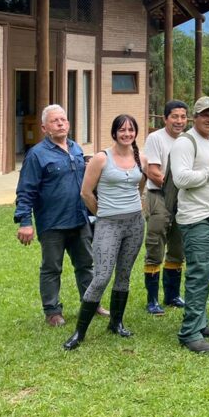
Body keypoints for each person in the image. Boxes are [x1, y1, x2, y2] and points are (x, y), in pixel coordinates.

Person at [64, 114, 146, 350]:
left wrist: (136, 203)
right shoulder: (101, 159)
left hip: (135, 224)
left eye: (131, 130)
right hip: (108, 224)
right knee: (101, 277)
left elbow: (140, 184)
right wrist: (103, 212)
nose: (127, 134)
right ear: (114, 133)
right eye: (122, 130)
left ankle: (116, 323)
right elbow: (86, 192)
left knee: (124, 275)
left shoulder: (140, 157)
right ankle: (79, 332)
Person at [14, 104, 96, 327]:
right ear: (44, 128)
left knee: (86, 264)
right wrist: (24, 222)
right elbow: (25, 190)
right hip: (52, 223)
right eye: (54, 121)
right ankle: (52, 311)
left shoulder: (76, 149)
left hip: (79, 220)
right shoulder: (36, 155)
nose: (60, 123)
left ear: (68, 124)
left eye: (63, 119)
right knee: (52, 268)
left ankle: (90, 304)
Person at [171, 96, 209, 354]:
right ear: (194, 117)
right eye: (205, 115)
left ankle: (201, 322)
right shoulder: (185, 142)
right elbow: (180, 178)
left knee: (208, 272)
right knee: (198, 275)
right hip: (197, 220)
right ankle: (189, 333)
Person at [142, 99, 189, 315]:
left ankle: (172, 295)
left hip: (183, 198)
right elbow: (152, 171)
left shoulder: (189, 140)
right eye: (175, 116)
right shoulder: (156, 138)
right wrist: (174, 185)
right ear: (165, 118)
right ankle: (152, 299)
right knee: (155, 246)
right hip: (159, 196)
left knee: (178, 247)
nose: (179, 121)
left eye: (183, 117)